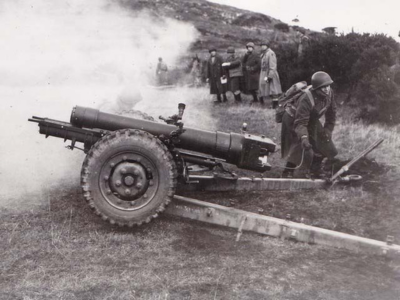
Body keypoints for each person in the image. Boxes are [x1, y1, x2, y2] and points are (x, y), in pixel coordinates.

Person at [281, 71, 338, 178]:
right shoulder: (306, 98)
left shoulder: (330, 94)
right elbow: (301, 123)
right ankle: (288, 171)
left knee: (323, 139)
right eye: (323, 87)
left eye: (328, 86)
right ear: (316, 88)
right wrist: (304, 137)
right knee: (298, 142)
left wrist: (328, 129)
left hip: (310, 118)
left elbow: (332, 114)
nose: (326, 89)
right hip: (292, 118)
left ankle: (315, 170)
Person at [259, 41, 282, 108]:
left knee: (273, 89)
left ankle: (275, 105)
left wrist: (270, 76)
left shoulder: (270, 53)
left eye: (264, 45)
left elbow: (272, 66)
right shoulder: (264, 53)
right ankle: (272, 104)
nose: (262, 46)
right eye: (261, 45)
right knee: (268, 89)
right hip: (265, 73)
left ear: (267, 46)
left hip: (270, 73)